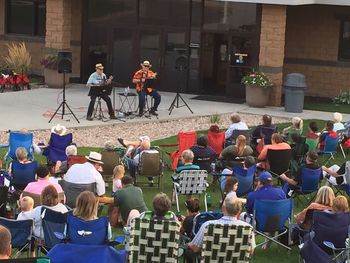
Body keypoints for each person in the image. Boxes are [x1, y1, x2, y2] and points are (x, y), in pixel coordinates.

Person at [185, 196, 255, 262]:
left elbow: (195, 248)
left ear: (223, 208)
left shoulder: (208, 225)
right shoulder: (248, 228)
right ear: (239, 210)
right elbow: (250, 251)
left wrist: (187, 244)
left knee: (189, 251)